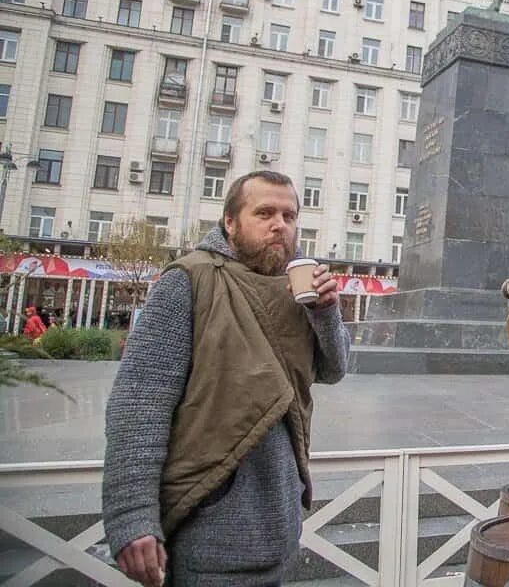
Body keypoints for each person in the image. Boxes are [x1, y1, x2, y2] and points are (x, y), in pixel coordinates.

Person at [102, 171, 350, 586]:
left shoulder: (298, 286)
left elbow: (333, 369)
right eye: (265, 213)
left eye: (289, 216)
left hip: (279, 526)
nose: (280, 225)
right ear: (230, 222)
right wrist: (132, 515)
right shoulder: (188, 280)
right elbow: (140, 402)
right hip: (208, 528)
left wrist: (325, 312)